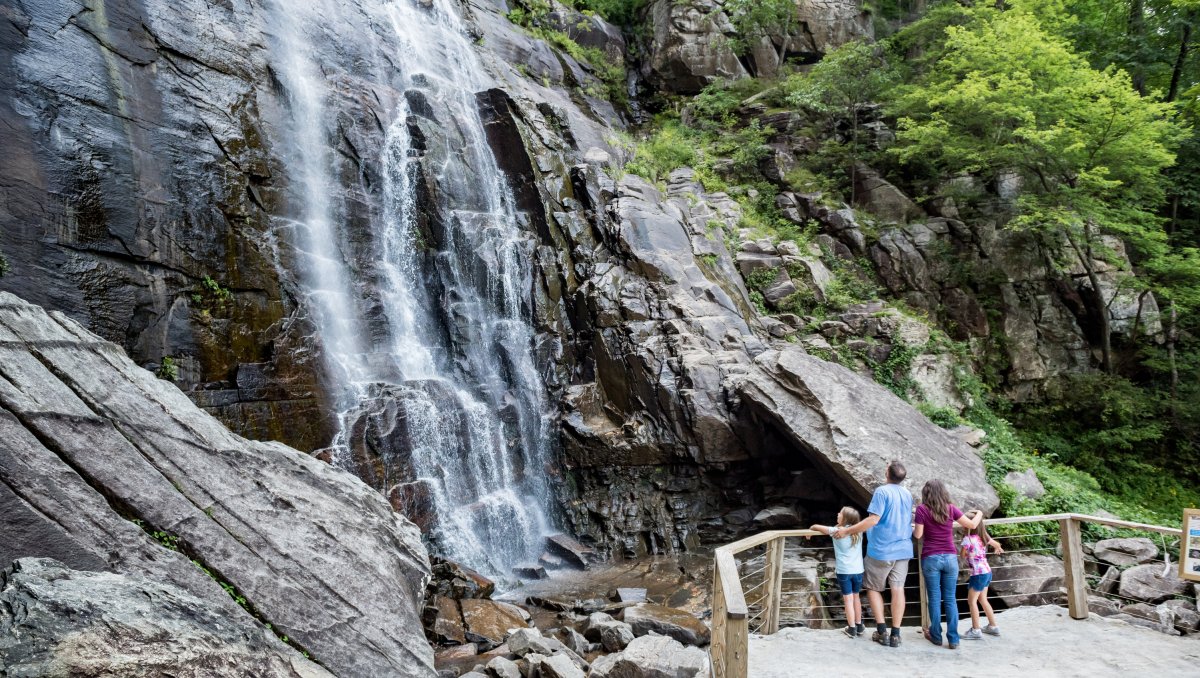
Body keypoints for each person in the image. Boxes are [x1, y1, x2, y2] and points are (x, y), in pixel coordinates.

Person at [834, 460, 912, 648]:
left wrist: (847, 530)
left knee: (874, 588)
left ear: (887, 473)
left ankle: (882, 631)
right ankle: (896, 634)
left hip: (881, 550)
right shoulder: (907, 494)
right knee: (898, 589)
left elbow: (873, 520)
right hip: (903, 549)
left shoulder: (882, 492)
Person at [912, 479, 982, 650]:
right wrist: (979, 512)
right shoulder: (950, 508)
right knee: (950, 599)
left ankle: (936, 636)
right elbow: (972, 524)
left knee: (934, 599)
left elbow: (918, 535)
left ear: (926, 493)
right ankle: (953, 639)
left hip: (931, 557)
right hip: (950, 558)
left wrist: (914, 526)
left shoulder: (922, 509)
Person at [810, 507, 866, 638]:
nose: (837, 513)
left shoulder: (836, 531)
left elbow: (816, 526)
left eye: (840, 513)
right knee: (856, 597)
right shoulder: (859, 531)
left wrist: (811, 528)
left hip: (844, 571)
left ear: (845, 518)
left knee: (848, 600)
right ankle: (859, 625)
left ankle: (851, 628)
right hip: (858, 570)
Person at [960, 518, 1004, 640]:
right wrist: (997, 548)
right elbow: (997, 544)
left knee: (972, 601)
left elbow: (962, 555)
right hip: (987, 571)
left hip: (977, 574)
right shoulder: (983, 536)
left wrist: (968, 552)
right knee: (983, 599)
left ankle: (975, 630)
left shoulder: (967, 539)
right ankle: (993, 626)